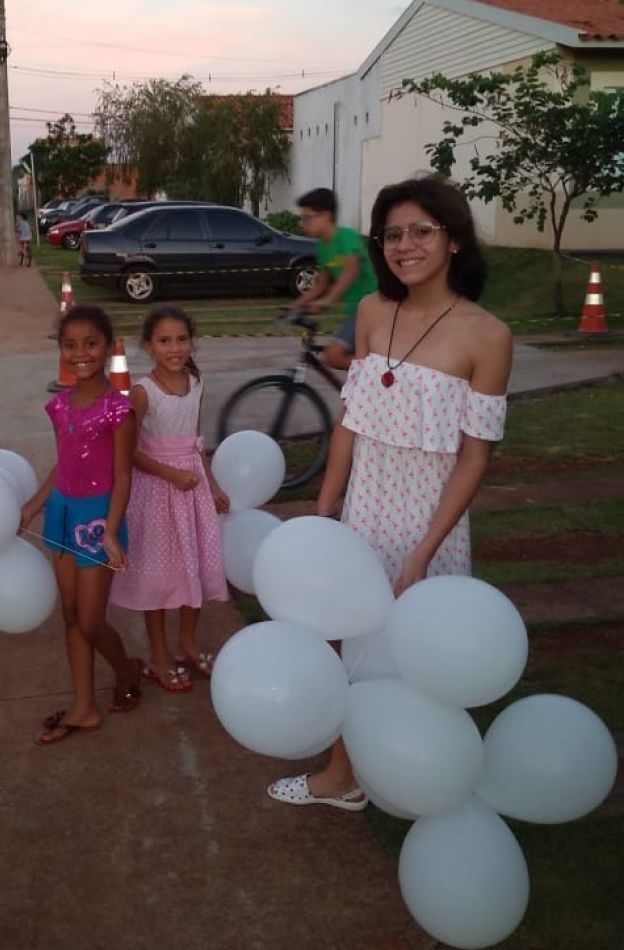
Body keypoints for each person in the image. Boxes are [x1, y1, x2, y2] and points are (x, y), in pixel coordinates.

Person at [268, 176, 512, 810]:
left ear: (453, 239)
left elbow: (474, 457)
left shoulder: (488, 337)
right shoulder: (374, 311)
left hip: (429, 528)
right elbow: (352, 419)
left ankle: (425, 775)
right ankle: (344, 776)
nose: (405, 245)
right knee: (353, 651)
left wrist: (424, 550)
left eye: (421, 231)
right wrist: (326, 511)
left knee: (425, 657)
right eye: (394, 234)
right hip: (363, 514)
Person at [20, 304, 143, 744]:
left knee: (91, 621)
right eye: (70, 345)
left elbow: (125, 473)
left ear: (108, 348)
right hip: (61, 512)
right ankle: (84, 707)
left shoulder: (118, 410)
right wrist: (33, 506)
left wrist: (111, 530)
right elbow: (63, 462)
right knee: (71, 617)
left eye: (90, 344)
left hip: (96, 520)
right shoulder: (59, 406)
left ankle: (127, 668)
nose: (80, 353)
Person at [110, 307, 230, 692]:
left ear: (191, 341)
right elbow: (127, 451)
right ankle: (158, 654)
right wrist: (170, 474)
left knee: (193, 567)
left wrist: (209, 484)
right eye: (164, 341)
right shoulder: (144, 392)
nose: (175, 348)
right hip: (157, 495)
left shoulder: (196, 382)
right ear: (149, 345)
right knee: (159, 577)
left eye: (181, 339)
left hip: (191, 492)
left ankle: (188, 643)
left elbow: (196, 441)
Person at [292, 188, 377, 371]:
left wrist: (327, 301)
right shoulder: (323, 247)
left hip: (373, 305)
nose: (303, 224)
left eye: (307, 218)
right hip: (356, 309)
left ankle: (377, 373)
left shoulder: (346, 236)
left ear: (326, 216)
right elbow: (321, 284)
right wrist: (297, 305)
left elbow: (351, 269)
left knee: (335, 355)